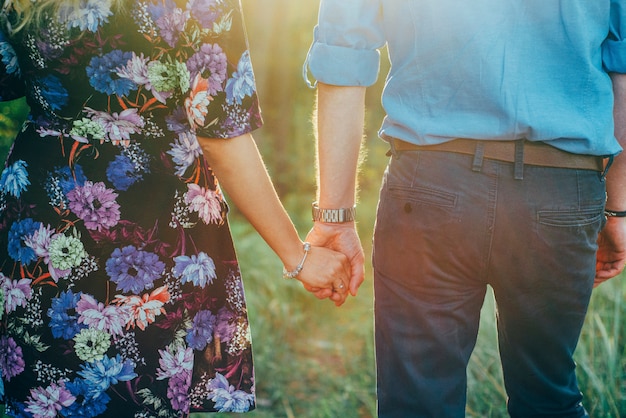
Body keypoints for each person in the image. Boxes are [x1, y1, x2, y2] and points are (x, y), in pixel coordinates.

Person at [0, 0, 350, 416]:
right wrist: (298, 256)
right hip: (152, 228)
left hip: (42, 225)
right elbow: (221, 135)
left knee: (49, 398)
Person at [304, 1, 626, 417]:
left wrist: (335, 217)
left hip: (430, 188)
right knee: (549, 396)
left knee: (417, 403)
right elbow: (622, 75)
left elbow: (343, 56)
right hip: (560, 190)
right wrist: (617, 210)